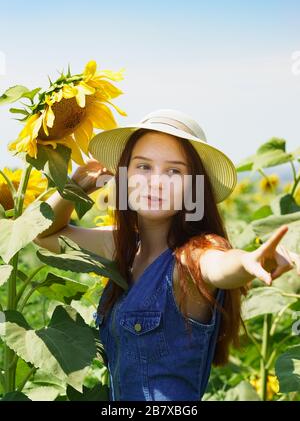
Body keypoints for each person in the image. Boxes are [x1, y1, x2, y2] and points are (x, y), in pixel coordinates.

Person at [34, 108, 300, 401]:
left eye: (174, 170)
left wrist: (247, 262)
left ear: (193, 186)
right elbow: (44, 235)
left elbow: (218, 265)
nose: (156, 181)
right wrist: (75, 185)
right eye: (143, 167)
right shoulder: (122, 247)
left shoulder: (192, 256)